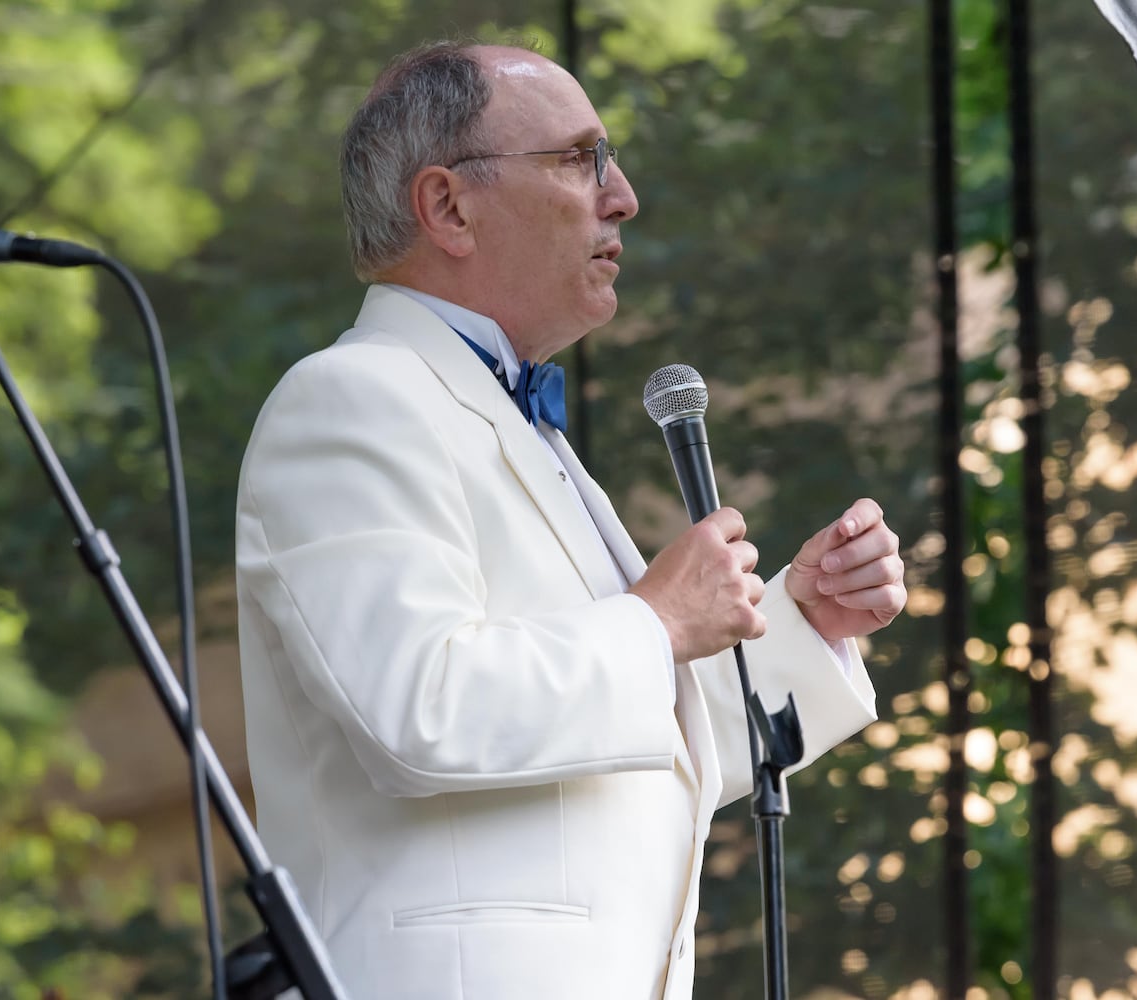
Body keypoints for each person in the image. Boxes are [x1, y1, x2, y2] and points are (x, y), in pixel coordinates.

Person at [234, 39, 906, 1000]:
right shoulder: (350, 399)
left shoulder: (520, 430)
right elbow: (420, 710)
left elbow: (634, 742)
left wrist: (806, 625)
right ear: (449, 207)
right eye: (578, 158)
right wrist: (659, 621)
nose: (622, 194)